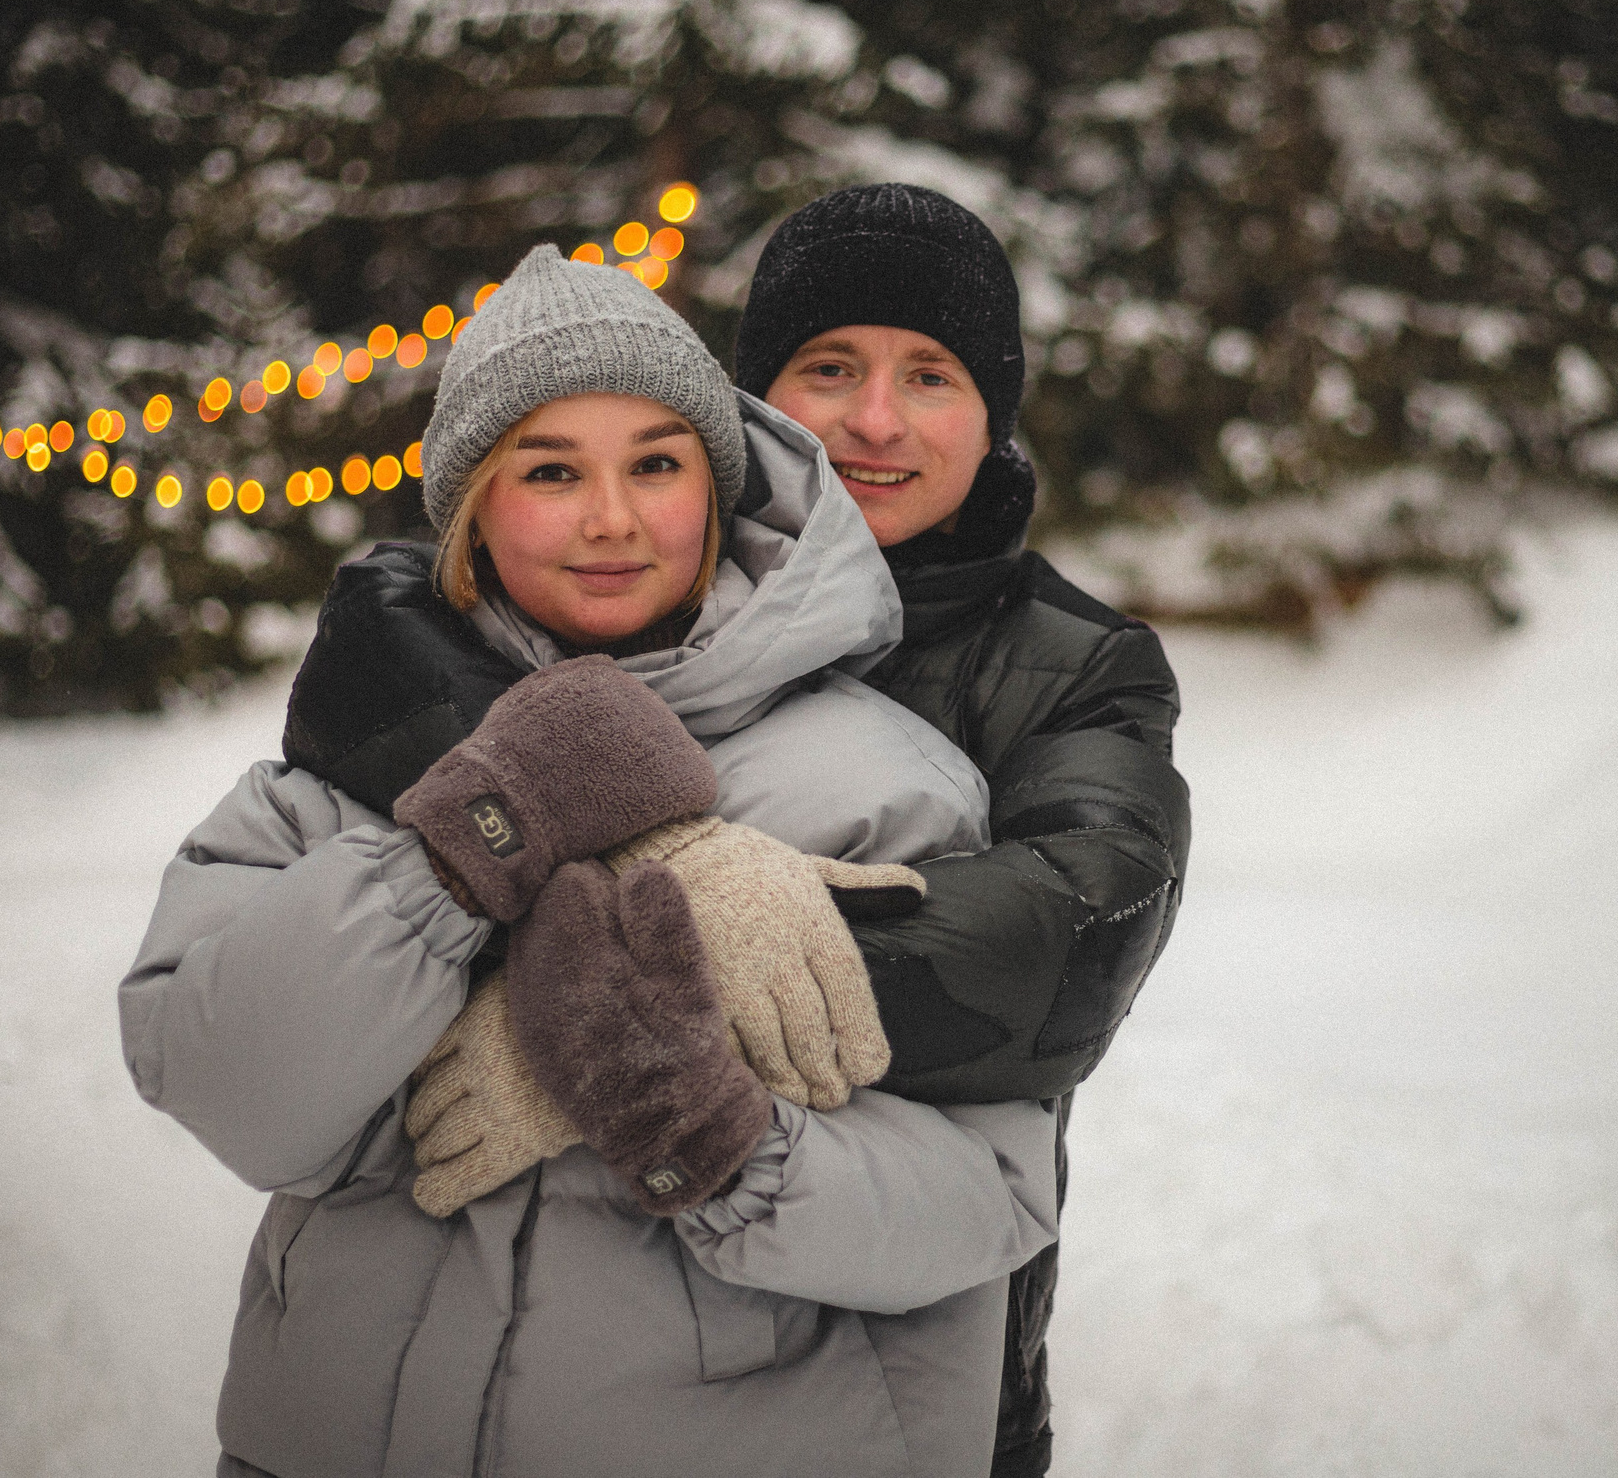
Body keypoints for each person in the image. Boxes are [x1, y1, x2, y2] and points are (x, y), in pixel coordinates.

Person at [122, 243, 1058, 1478]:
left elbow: (986, 1200)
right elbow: (227, 1087)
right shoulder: (353, 766)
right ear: (473, 506)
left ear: (715, 495)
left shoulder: (884, 788)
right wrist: (462, 848)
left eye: (656, 465)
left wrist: (720, 1139)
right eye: (550, 469)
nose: (611, 518)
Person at [737, 183, 1190, 1478]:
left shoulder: (1080, 665)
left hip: (925, 1358)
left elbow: (1065, 949)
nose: (876, 418)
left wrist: (638, 961)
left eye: (928, 373)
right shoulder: (636, 587)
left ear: (991, 415)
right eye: (831, 365)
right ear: (756, 392)